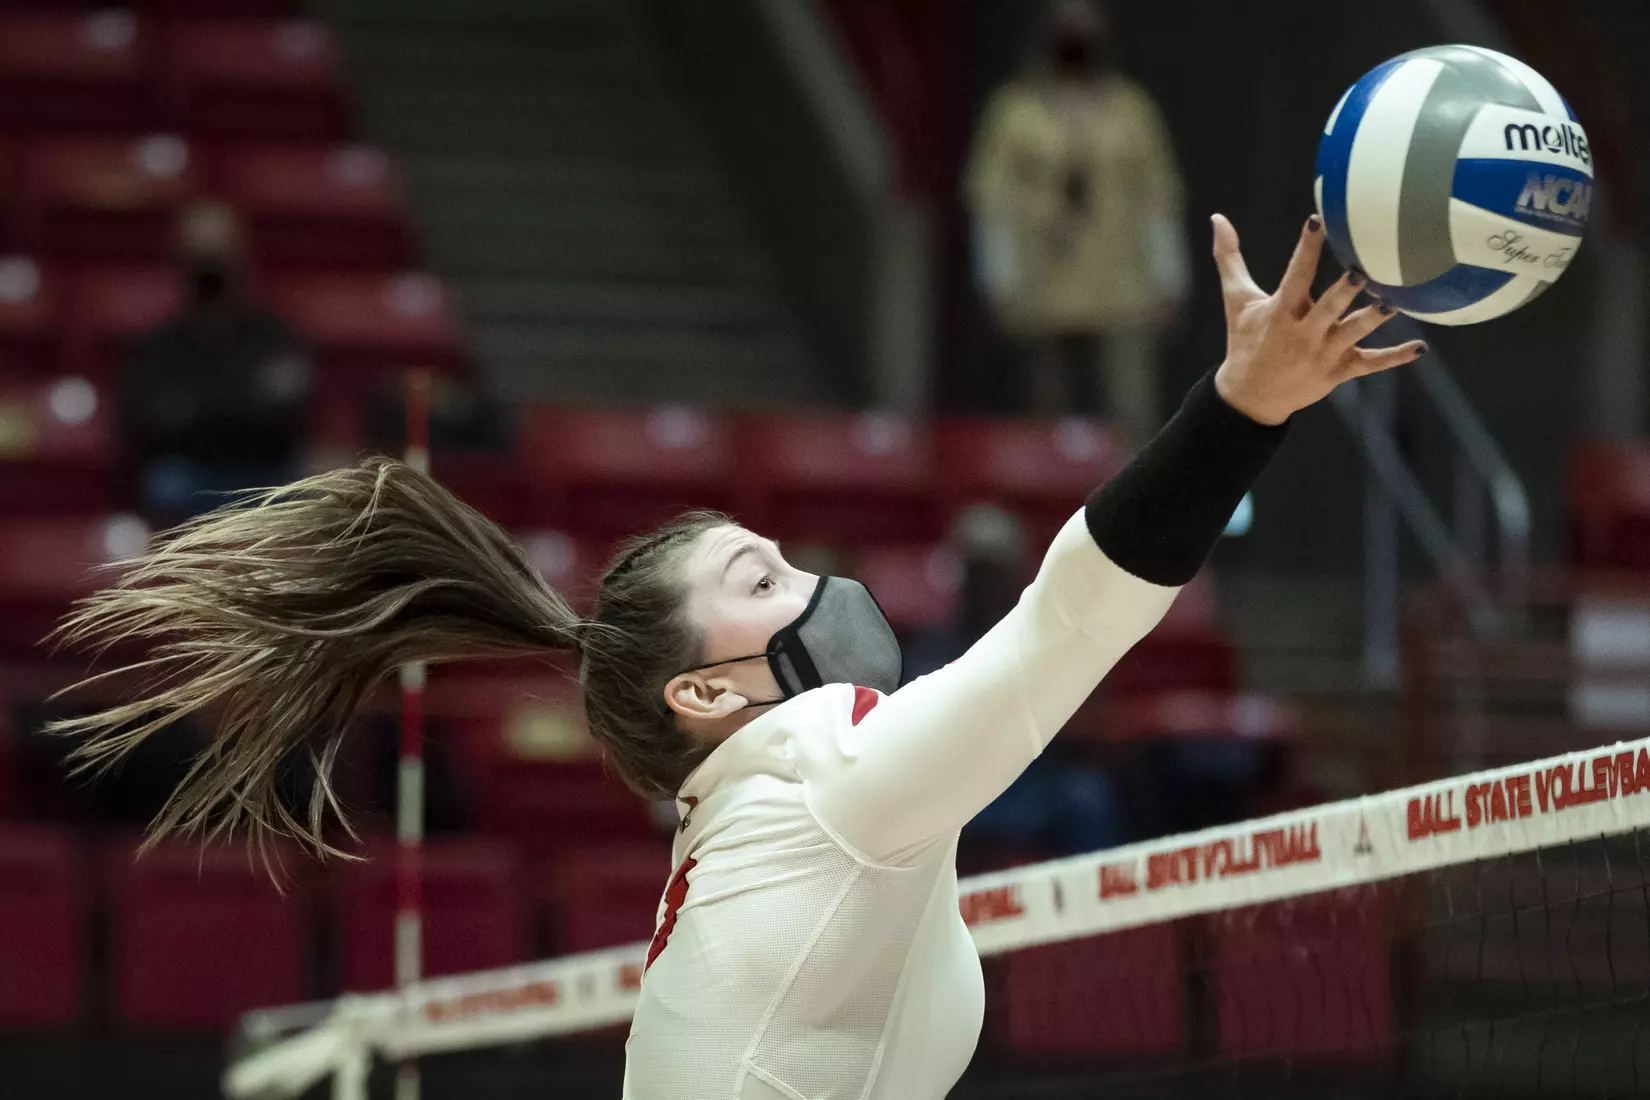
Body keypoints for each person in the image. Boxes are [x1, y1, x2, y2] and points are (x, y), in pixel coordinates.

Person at [53, 214, 1420, 1100]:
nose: (825, 585)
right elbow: (1064, 623)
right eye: (762, 581)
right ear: (703, 691)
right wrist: (1238, 408)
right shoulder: (820, 775)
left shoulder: (766, 811)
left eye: (792, 557)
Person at [966, 0, 1190, 447]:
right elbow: (992, 206)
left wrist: (1170, 277)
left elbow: (1158, 201)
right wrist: (998, 281)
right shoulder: (1014, 113)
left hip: (1121, 290)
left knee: (1131, 415)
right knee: (1044, 419)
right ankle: (1052, 513)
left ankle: (1133, 511)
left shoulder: (1131, 110)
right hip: (1041, 289)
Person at [904, 504, 1126, 862]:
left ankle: (1102, 914)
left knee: (1088, 795)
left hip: (1035, 779)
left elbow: (1080, 719)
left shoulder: (1049, 639)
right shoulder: (933, 647)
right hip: (961, 787)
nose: (989, 584)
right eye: (980, 572)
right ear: (962, 576)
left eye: (997, 571)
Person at [118, 200, 311, 527]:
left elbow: (288, 422)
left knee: (313, 488)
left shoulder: (278, 341)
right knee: (164, 484)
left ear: (241, 263)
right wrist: (241, 404)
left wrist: (198, 410)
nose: (210, 284)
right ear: (180, 267)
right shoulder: (156, 350)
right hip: (187, 484)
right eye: (201, 270)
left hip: (265, 481)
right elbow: (147, 432)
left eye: (217, 270)